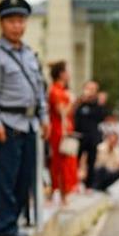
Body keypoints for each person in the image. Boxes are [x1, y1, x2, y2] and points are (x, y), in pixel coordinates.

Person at [0, 0, 49, 236]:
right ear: (1, 23)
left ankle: (11, 220)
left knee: (24, 178)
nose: (17, 26)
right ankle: (5, 225)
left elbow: (39, 88)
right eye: (11, 21)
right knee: (6, 178)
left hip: (29, 124)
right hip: (7, 123)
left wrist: (44, 117)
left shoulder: (30, 54)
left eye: (21, 21)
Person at [46, 61, 78, 205]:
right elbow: (62, 112)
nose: (69, 74)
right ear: (61, 73)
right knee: (60, 163)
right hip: (59, 131)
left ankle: (62, 192)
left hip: (65, 129)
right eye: (67, 71)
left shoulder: (62, 90)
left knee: (67, 162)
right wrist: (72, 100)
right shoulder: (55, 91)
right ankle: (59, 192)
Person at [72, 80, 106, 191]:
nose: (90, 92)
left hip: (92, 136)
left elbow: (101, 117)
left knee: (91, 161)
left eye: (93, 89)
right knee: (75, 160)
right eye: (88, 89)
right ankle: (74, 183)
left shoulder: (97, 104)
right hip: (79, 135)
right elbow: (73, 115)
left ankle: (88, 185)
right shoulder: (80, 103)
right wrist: (80, 101)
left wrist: (99, 103)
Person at [90, 124, 119, 192]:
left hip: (109, 171)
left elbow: (118, 164)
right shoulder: (100, 147)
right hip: (97, 171)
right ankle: (95, 185)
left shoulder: (118, 150)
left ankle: (103, 186)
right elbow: (98, 163)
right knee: (102, 169)